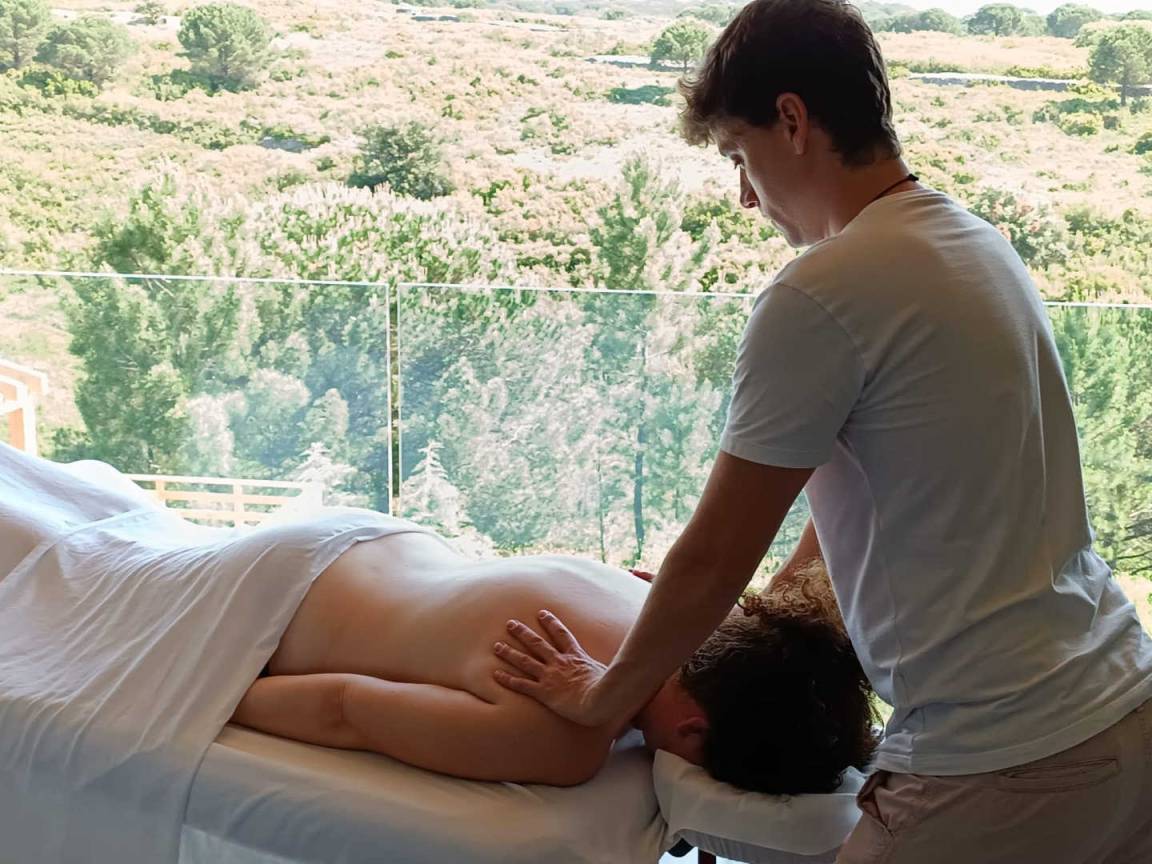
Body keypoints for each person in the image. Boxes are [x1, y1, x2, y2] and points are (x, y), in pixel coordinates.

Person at [488, 0, 1152, 860]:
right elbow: (867, 512)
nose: (744, 196)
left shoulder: (821, 291)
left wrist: (602, 697)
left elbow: (715, 552)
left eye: (740, 156)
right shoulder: (972, 242)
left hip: (1004, 755)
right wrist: (752, 627)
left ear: (793, 121)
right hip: (1121, 701)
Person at [232, 522, 876, 791]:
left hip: (359, 535)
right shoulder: (566, 742)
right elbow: (344, 708)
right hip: (264, 607)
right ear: (692, 732)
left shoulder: (660, 603)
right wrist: (215, 691)